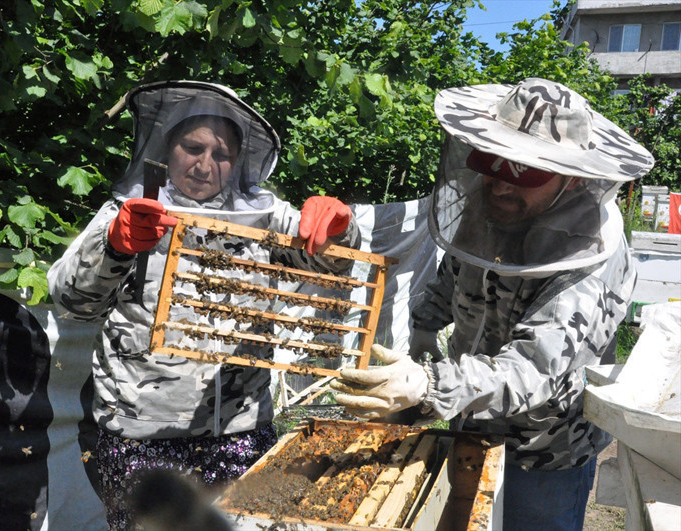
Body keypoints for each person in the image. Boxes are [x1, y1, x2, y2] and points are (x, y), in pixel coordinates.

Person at [331, 77, 654, 531]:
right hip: (471, 426)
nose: (502, 185)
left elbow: (534, 368)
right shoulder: (493, 207)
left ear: (573, 177)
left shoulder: (594, 259)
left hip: (544, 454)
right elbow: (456, 273)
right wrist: (424, 330)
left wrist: (429, 384)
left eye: (526, 172)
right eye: (494, 163)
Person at [48, 80, 359, 529]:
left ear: (238, 163)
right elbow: (71, 299)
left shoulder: (264, 217)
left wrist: (339, 227)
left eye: (221, 154)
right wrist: (114, 245)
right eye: (192, 147)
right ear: (166, 148)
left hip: (241, 430)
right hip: (141, 437)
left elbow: (333, 264)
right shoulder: (131, 210)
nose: (204, 164)